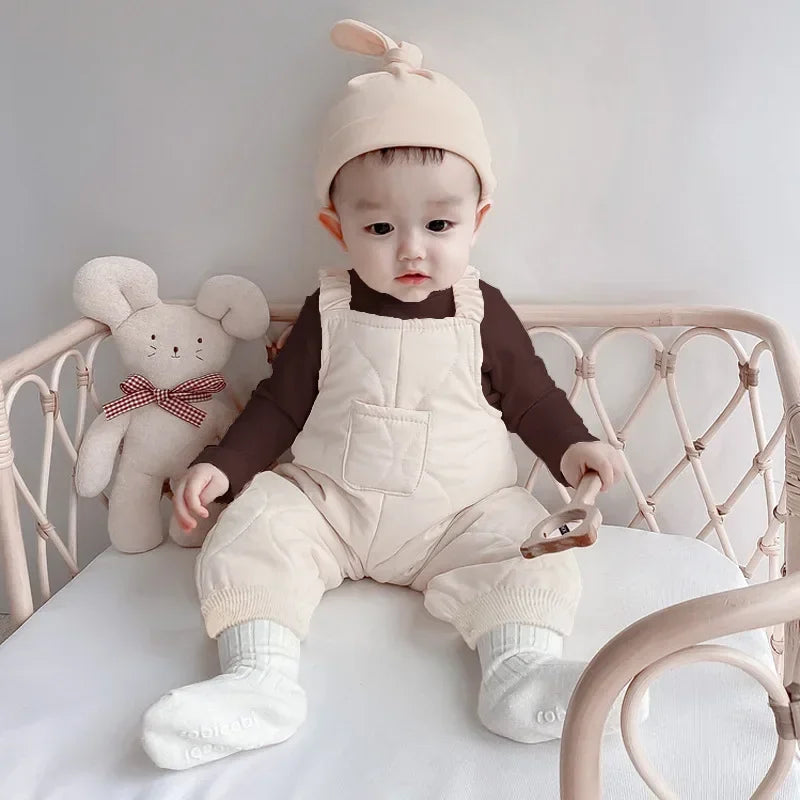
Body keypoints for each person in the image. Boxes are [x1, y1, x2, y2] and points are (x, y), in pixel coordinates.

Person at [141, 18, 625, 771]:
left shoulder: (481, 310)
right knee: (257, 526)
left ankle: (519, 674)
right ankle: (258, 679)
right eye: (379, 227)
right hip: (331, 506)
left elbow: (531, 397)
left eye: (439, 223)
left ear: (477, 222)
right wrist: (224, 466)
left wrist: (572, 447)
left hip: (459, 516)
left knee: (526, 546)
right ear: (337, 228)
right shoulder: (328, 308)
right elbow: (279, 405)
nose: (411, 249)